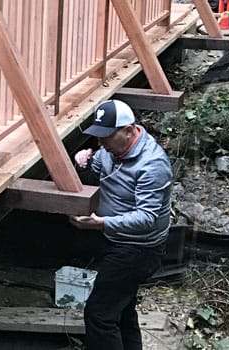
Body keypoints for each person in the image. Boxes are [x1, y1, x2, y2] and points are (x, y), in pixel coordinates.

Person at [71, 99, 172, 350]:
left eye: (106, 136)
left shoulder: (152, 165)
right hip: (116, 243)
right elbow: (95, 170)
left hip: (139, 250)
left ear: (129, 130)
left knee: (99, 315)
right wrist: (81, 163)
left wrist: (101, 223)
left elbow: (147, 218)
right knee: (123, 310)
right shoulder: (109, 150)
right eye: (98, 136)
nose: (100, 143)